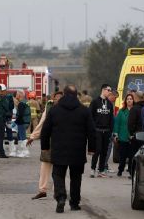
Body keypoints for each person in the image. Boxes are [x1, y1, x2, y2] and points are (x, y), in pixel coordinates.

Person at [41, 85, 96, 213]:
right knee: (76, 177)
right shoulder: (84, 110)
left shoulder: (54, 110)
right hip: (78, 150)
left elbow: (45, 130)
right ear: (76, 94)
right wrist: (91, 148)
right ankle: (74, 203)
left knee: (58, 174)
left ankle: (60, 197)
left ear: (64, 94)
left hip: (59, 149)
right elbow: (91, 131)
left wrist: (45, 147)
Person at [27, 91, 63, 200]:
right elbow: (42, 123)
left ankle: (59, 191)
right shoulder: (49, 107)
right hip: (49, 141)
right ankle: (42, 190)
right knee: (45, 167)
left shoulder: (67, 108)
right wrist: (33, 136)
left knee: (59, 168)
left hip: (62, 142)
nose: (58, 100)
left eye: (60, 98)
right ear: (53, 98)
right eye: (56, 98)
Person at [89, 84, 114, 178]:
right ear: (103, 90)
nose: (110, 92)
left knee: (104, 151)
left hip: (106, 131)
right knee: (97, 150)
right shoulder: (95, 102)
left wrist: (111, 130)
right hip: (97, 130)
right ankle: (92, 168)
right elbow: (90, 116)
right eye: (108, 90)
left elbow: (111, 118)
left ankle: (101, 170)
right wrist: (92, 129)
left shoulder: (110, 104)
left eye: (110, 90)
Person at [113, 93, 134, 177]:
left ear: (133, 100)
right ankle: (120, 169)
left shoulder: (135, 110)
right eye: (128, 99)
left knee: (131, 155)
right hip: (122, 136)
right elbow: (117, 123)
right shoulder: (121, 111)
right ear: (126, 101)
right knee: (122, 155)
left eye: (131, 99)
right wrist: (116, 134)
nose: (129, 100)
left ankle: (130, 170)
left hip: (132, 137)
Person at [128, 91, 144, 169]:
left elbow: (130, 123)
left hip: (136, 136)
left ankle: (133, 170)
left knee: (134, 155)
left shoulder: (134, 109)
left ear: (136, 98)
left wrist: (131, 134)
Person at [104, 89, 119, 173]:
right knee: (107, 149)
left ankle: (104, 165)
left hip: (109, 129)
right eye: (115, 97)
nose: (115, 100)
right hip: (108, 130)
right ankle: (104, 165)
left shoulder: (109, 103)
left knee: (107, 149)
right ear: (111, 95)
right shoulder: (107, 104)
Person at [0, 84, 15, 156]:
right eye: (1, 91)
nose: (1, 92)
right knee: (1, 133)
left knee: (9, 132)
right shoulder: (7, 97)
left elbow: (11, 107)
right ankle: (2, 149)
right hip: (2, 117)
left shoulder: (9, 97)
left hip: (7, 117)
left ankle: (12, 150)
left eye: (2, 91)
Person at [15, 90, 31, 158]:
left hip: (22, 122)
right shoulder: (26, 102)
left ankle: (25, 151)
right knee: (21, 137)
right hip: (26, 121)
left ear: (20, 95)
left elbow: (20, 114)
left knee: (22, 137)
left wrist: (15, 122)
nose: (16, 95)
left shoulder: (21, 103)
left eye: (17, 94)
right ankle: (22, 151)